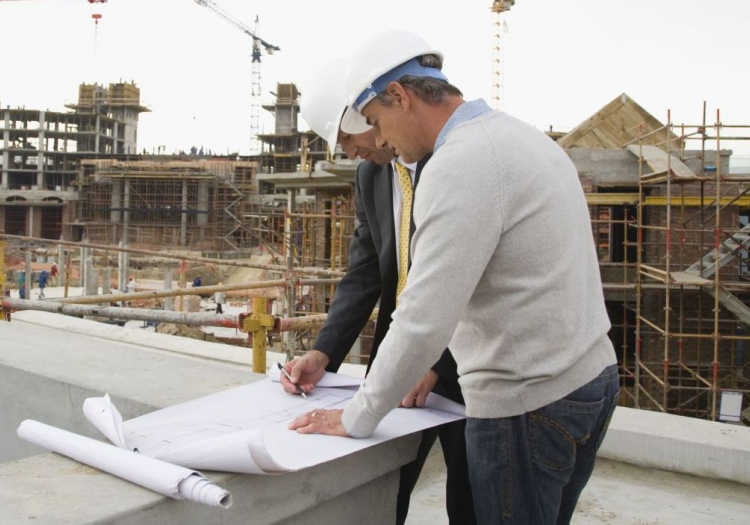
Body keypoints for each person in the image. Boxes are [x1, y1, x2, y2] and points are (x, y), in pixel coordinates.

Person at [287, 29, 619, 525]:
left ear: (399, 95)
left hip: (525, 402)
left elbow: (424, 316)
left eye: (377, 122)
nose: (378, 140)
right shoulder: (520, 136)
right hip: (587, 378)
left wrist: (356, 417)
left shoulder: (460, 161)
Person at [280, 58, 475, 525]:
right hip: (399, 357)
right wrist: (324, 352)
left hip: (466, 364)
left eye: (353, 137)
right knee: (387, 490)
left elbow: (469, 277)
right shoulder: (372, 175)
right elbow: (364, 271)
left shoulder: (452, 160)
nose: (350, 153)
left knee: (473, 498)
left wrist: (435, 362)